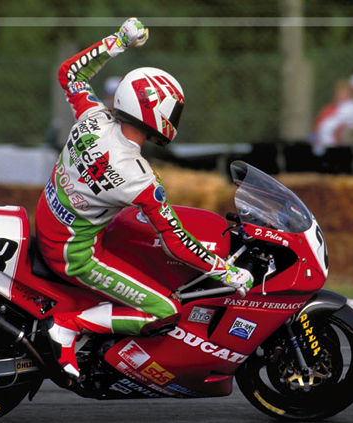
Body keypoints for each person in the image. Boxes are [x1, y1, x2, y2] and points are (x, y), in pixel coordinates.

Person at [35, 18, 254, 379]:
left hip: (50, 217)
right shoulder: (139, 178)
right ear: (156, 113)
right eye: (174, 111)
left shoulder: (93, 118)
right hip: (74, 254)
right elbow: (176, 242)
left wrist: (118, 41)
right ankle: (67, 327)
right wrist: (226, 270)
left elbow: (69, 73)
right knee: (163, 310)